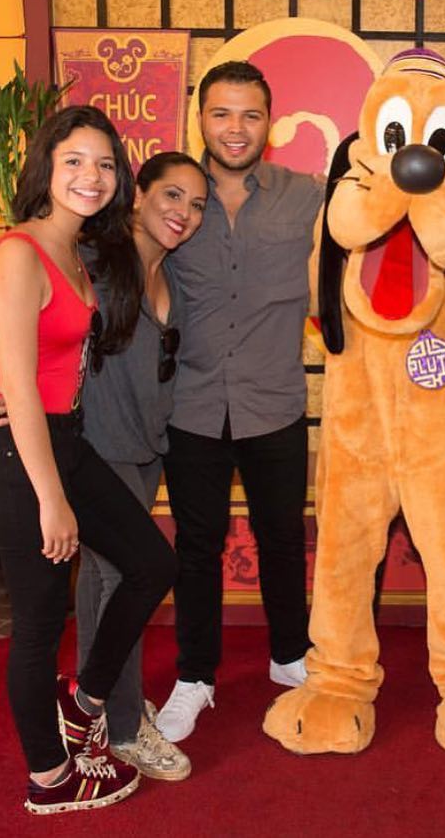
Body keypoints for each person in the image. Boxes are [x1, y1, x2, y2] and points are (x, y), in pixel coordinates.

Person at [0, 151, 207, 781]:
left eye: (197, 203)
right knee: (96, 592)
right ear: (139, 196)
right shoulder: (95, 257)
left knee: (140, 574)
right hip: (89, 442)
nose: (183, 212)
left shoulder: (171, 275)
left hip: (141, 446)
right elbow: (18, 336)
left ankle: (94, 704)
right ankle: (118, 726)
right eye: (171, 196)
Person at [155, 60, 323, 742]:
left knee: (283, 538)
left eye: (250, 115)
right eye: (222, 113)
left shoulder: (305, 194)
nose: (235, 128)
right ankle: (194, 676)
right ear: (200, 118)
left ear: (270, 125)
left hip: (275, 400)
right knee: (196, 545)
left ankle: (290, 657)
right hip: (190, 403)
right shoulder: (166, 196)